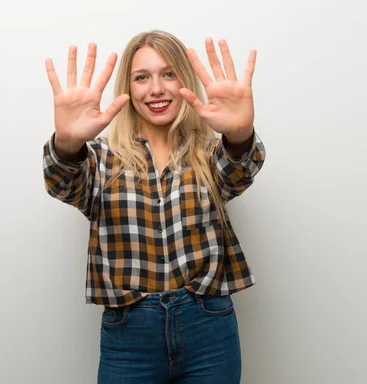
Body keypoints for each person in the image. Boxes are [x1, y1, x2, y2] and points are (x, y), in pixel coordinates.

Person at [43, 30, 266, 384]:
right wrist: (68, 145)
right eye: (142, 77)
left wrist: (239, 135)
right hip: (129, 335)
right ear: (128, 89)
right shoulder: (101, 160)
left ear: (184, 81)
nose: (156, 89)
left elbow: (239, 170)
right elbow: (62, 183)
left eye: (168, 74)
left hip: (209, 328)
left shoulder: (209, 154)